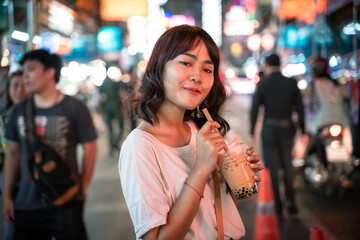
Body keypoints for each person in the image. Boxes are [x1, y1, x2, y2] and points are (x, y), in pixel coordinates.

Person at [118, 25, 264, 240]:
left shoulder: (197, 130)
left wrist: (235, 180)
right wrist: (201, 169)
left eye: (207, 69)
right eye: (186, 63)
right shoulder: (140, 147)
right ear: (159, 67)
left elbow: (209, 211)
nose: (198, 76)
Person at [2, 49, 97, 239]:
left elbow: (90, 149)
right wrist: (7, 197)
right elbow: (12, 154)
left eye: (30, 70)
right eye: (24, 70)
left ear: (49, 72)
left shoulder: (75, 108)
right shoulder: (18, 112)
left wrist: (82, 187)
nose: (25, 76)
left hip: (66, 199)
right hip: (26, 202)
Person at [250, 53, 306, 219]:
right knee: (287, 165)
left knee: (272, 168)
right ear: (280, 65)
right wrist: (303, 129)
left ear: (267, 65)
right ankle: (291, 202)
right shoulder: (291, 83)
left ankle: (278, 206)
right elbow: (300, 108)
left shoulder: (263, 83)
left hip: (269, 129)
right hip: (287, 128)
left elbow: (255, 108)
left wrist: (252, 130)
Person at [0, 70, 28, 240]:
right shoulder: (3, 119)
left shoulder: (39, 116)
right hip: (10, 185)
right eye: (14, 85)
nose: (19, 90)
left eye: (24, 85)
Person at [309, 57, 352, 153]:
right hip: (340, 114)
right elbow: (344, 98)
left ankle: (306, 157)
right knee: (347, 131)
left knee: (312, 132)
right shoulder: (336, 83)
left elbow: (312, 103)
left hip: (324, 115)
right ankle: (349, 153)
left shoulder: (315, 84)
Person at [99, 75, 124, 155]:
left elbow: (101, 97)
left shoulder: (102, 85)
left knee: (110, 128)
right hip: (115, 107)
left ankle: (112, 144)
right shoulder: (114, 83)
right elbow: (120, 94)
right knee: (121, 125)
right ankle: (116, 142)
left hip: (107, 108)